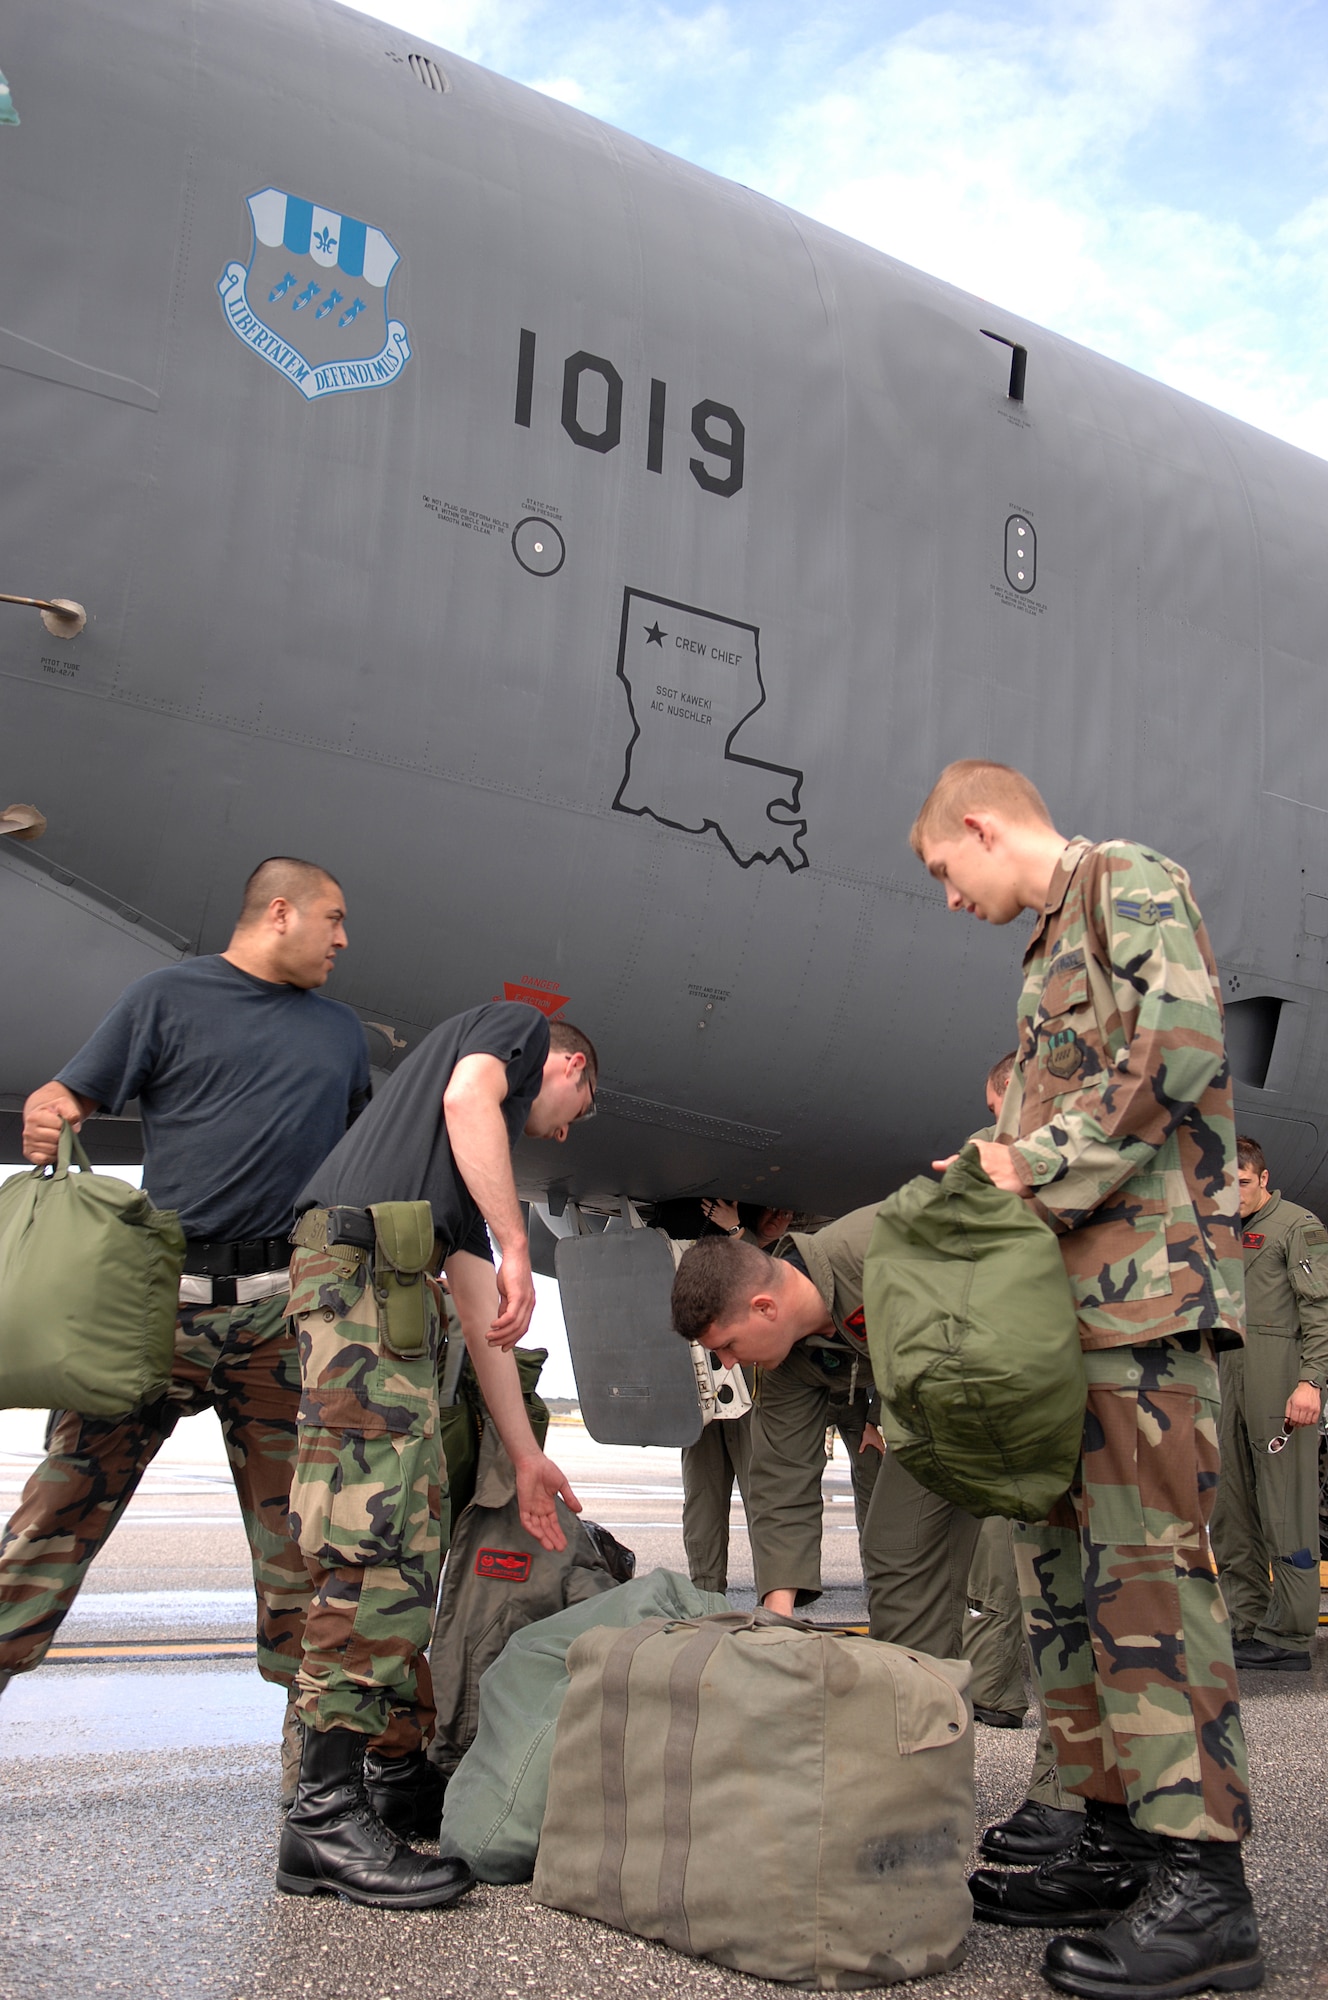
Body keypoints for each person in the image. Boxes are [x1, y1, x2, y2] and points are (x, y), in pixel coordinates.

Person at [912, 759, 1256, 1998]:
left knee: (1147, 1592)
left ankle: (1204, 1890)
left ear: (979, 822)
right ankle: (1110, 1835)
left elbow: (1176, 1047)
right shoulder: (1046, 944)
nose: (948, 900)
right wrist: (1000, 1157)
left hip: (1145, 1307)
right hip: (1077, 1318)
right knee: (1068, 1596)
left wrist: (1032, 1161)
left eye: (944, 873)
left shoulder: (1125, 878)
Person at [0, 859, 369, 1808]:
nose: (341, 939)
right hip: (154, 1311)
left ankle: (315, 1785)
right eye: (331, 919)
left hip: (279, 1320)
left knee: (302, 1552)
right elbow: (66, 1097)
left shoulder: (339, 1036)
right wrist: (48, 1115)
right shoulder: (166, 998)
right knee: (55, 1516)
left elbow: (367, 1157)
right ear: (278, 912)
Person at [276, 1001, 595, 1911]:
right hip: (364, 1289)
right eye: (577, 1110)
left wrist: (526, 1455)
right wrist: (522, 1239)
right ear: (566, 1069)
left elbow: (483, 1317)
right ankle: (324, 1811)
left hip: (383, 1293)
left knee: (402, 1547)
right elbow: (469, 1096)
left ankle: (347, 1797)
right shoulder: (516, 1030)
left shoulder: (439, 1194)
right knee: (373, 1552)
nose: (566, 1130)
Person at [670, 1210, 980, 1659]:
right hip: (953, 1412)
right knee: (895, 1548)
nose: (730, 1364)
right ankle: (918, 1708)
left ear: (764, 1308)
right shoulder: (784, 1363)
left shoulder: (882, 1250)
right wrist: (779, 1616)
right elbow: (782, 1476)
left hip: (1041, 1379)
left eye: (729, 1346)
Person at [962, 1052, 1085, 1862]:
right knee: (1040, 1595)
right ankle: (1061, 1797)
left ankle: (1094, 1808)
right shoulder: (989, 1158)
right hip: (1022, 1404)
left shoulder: (1095, 1149)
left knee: (1104, 1610)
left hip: (1091, 1392)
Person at [1210, 1134, 1328, 1670]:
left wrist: (1312, 1382)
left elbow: (1319, 1313)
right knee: (1231, 1511)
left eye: (1242, 1182)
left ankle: (1291, 1636)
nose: (1232, 1193)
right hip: (1225, 1379)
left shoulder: (1298, 1227)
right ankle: (1249, 1623)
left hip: (1278, 1381)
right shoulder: (1217, 1233)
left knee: (1286, 1508)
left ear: (1261, 1178)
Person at [676, 1199, 791, 1595]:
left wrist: (738, 1231)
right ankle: (706, 1598)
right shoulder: (692, 1250)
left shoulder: (752, 1247)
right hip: (704, 1390)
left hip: (746, 1388)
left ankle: (777, 1600)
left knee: (762, 1499)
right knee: (702, 1502)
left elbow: (768, 1286)